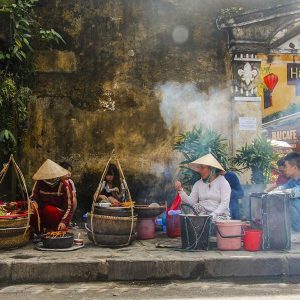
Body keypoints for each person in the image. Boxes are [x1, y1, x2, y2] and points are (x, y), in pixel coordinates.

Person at [175, 153, 231, 221]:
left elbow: (224, 204)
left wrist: (213, 215)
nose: (200, 171)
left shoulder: (223, 182)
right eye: (199, 168)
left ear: (211, 169)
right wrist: (180, 190)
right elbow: (192, 202)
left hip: (219, 217)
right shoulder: (198, 184)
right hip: (203, 217)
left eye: (203, 167)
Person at [30, 159, 73, 233]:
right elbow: (33, 197)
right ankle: (38, 231)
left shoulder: (64, 185)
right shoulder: (39, 183)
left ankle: (53, 229)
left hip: (57, 214)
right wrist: (33, 203)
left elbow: (69, 207)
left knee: (49, 209)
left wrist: (64, 221)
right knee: (32, 212)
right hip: (43, 212)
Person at [271, 152, 300, 243]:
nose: (284, 169)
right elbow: (282, 188)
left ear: (294, 167)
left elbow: (295, 191)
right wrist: (268, 194)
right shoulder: (292, 181)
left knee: (292, 202)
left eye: (286, 166)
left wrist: (281, 192)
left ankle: (298, 233)